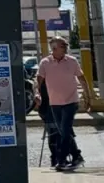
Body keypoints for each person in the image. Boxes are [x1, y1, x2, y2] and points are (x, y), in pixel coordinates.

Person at [36, 36, 85, 170]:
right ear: (54, 49)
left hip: (71, 101)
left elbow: (81, 77)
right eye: (63, 45)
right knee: (64, 131)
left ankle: (62, 160)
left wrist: (88, 95)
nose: (66, 47)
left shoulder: (72, 61)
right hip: (55, 103)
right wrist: (37, 93)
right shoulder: (45, 63)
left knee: (64, 130)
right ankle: (76, 156)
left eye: (65, 45)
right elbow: (39, 80)